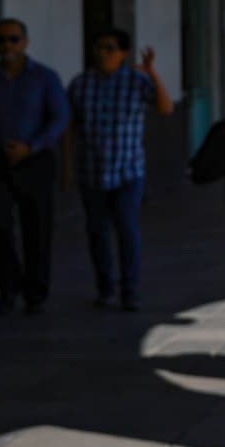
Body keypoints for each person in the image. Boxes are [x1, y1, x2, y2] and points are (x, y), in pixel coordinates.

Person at [0, 18, 70, 315]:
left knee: (37, 228)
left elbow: (60, 118)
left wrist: (31, 146)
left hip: (35, 160)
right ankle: (8, 287)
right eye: (1, 40)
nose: (7, 46)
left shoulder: (45, 78)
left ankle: (35, 292)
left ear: (25, 42)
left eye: (13, 39)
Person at [66, 28, 173, 311]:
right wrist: (66, 167)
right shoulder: (80, 84)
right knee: (97, 232)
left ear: (123, 54)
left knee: (126, 230)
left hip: (127, 171)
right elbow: (70, 128)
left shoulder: (136, 81)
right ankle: (105, 288)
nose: (104, 53)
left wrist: (152, 72)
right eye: (100, 47)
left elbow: (165, 108)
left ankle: (130, 290)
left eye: (110, 48)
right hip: (91, 171)